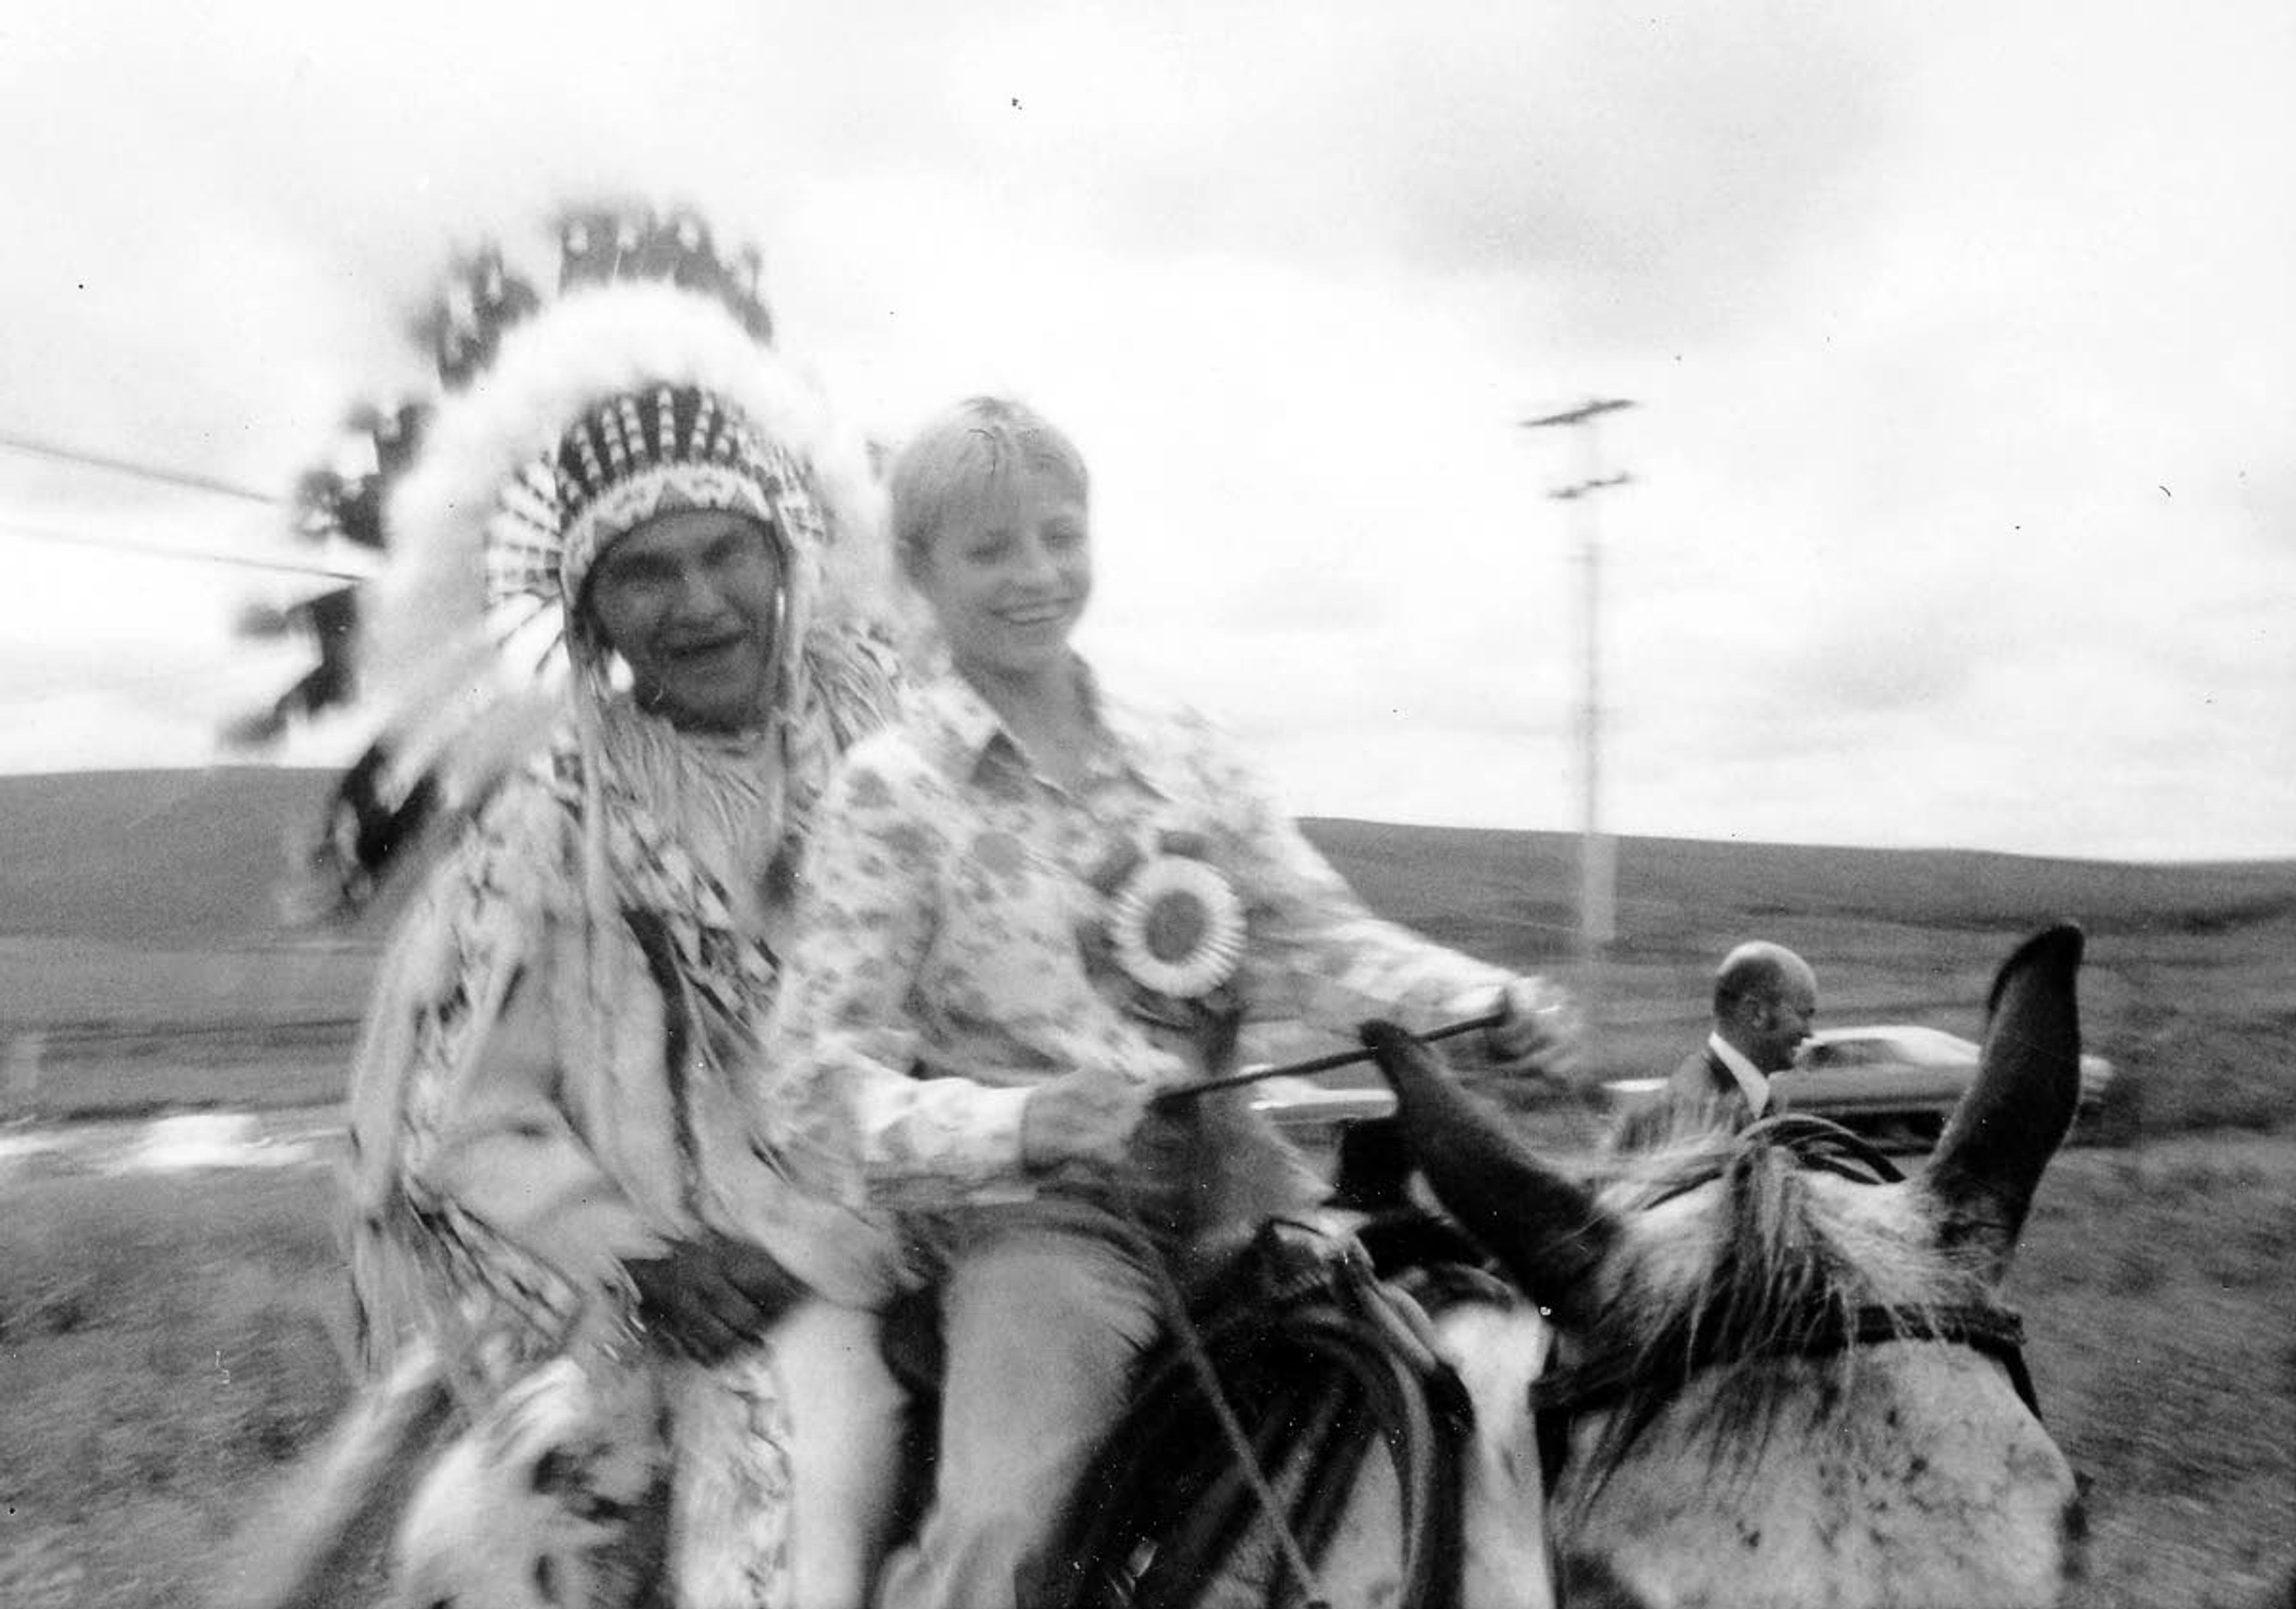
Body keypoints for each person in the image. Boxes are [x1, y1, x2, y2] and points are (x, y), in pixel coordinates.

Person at [758, 395, 1578, 1609]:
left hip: (1246, 1190)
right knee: (1010, 1531)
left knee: (1474, 1400)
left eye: (1062, 533)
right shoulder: (892, 793)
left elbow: (1315, 931)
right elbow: (810, 1091)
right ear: (917, 570)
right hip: (1041, 1227)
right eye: (990, 549)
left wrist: (1484, 995)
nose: (1037, 574)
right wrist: (1020, 1124)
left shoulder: (1185, 745)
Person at [338, 277, 910, 1608]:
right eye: (645, 572)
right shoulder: (548, 826)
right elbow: (469, 1119)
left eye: (727, 554)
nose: (698, 602)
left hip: (957, 1211)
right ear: (590, 614)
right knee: (794, 1503)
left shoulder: (916, 755)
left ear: (788, 560)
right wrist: (649, 1258)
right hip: (731, 1292)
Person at [1616, 940, 1818, 1147]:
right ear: (1757, 1013)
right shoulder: (1698, 1112)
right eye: (1803, 1015)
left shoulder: (1726, 1094)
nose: (1809, 1033)